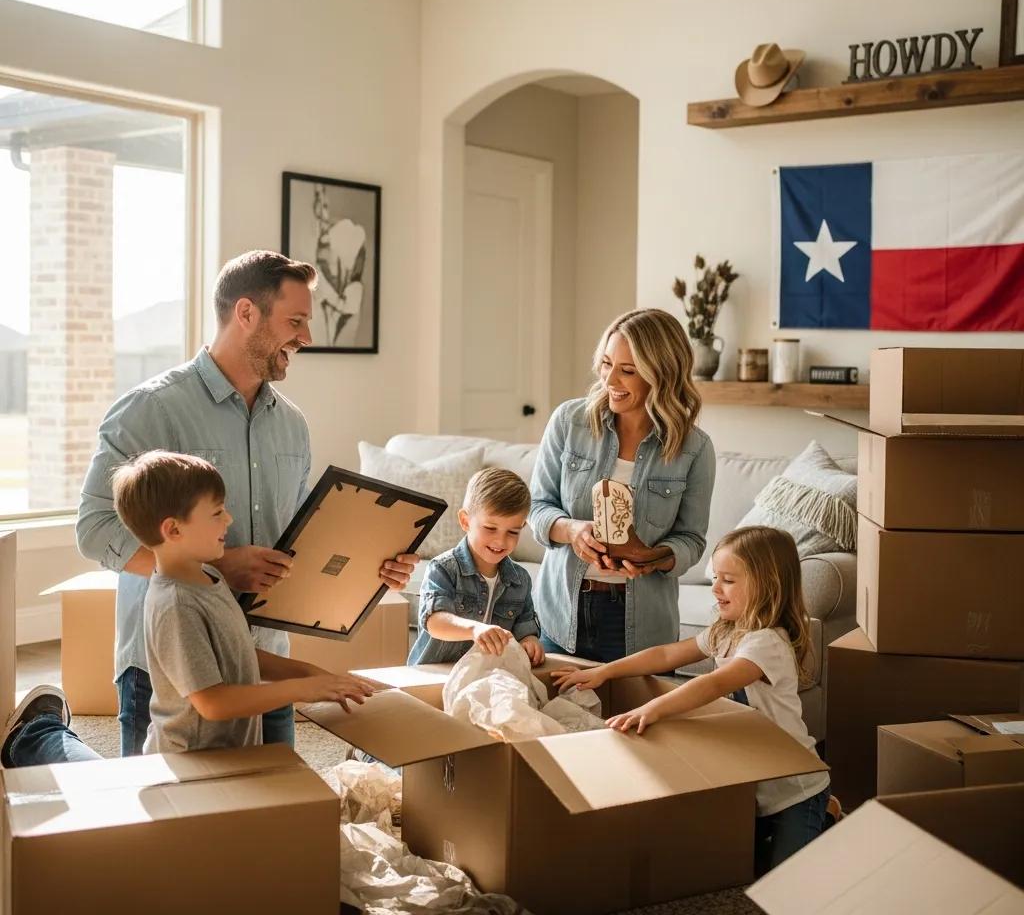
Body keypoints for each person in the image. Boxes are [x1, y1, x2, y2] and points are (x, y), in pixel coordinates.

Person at [76, 250, 415, 755]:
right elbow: (95, 529)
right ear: (246, 313)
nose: (307, 338)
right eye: (295, 321)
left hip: (263, 657)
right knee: (165, 829)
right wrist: (216, 568)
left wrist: (369, 566)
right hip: (167, 667)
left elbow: (300, 537)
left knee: (271, 822)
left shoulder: (292, 424)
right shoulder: (151, 408)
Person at [2, 450, 376, 767]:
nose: (228, 520)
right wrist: (302, 688)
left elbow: (238, 653)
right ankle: (38, 736)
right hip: (187, 765)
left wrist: (313, 674)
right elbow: (212, 702)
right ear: (173, 530)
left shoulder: (209, 577)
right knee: (108, 806)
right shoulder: (175, 605)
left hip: (227, 755)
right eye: (217, 513)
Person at [552, 526, 836, 874]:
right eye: (716, 577)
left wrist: (651, 708)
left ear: (768, 584)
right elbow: (668, 655)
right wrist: (606, 672)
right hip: (754, 787)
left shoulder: (766, 643)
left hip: (796, 790)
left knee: (787, 884)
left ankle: (827, 814)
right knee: (728, 865)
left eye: (728, 580)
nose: (715, 589)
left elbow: (714, 685)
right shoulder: (726, 631)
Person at [529, 308, 715, 662]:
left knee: (631, 719)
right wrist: (572, 531)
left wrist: (653, 558)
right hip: (560, 615)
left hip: (643, 629)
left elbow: (691, 540)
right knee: (554, 717)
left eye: (627, 371)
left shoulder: (695, 449)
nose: (610, 379)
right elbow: (537, 506)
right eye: (606, 363)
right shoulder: (569, 421)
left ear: (661, 375)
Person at [408, 467, 545, 667]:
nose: (500, 540)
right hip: (437, 674)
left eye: (513, 532)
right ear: (465, 521)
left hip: (488, 675)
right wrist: (474, 629)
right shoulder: (444, 568)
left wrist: (530, 642)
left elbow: (525, 628)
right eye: (490, 528)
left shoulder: (520, 579)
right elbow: (434, 621)